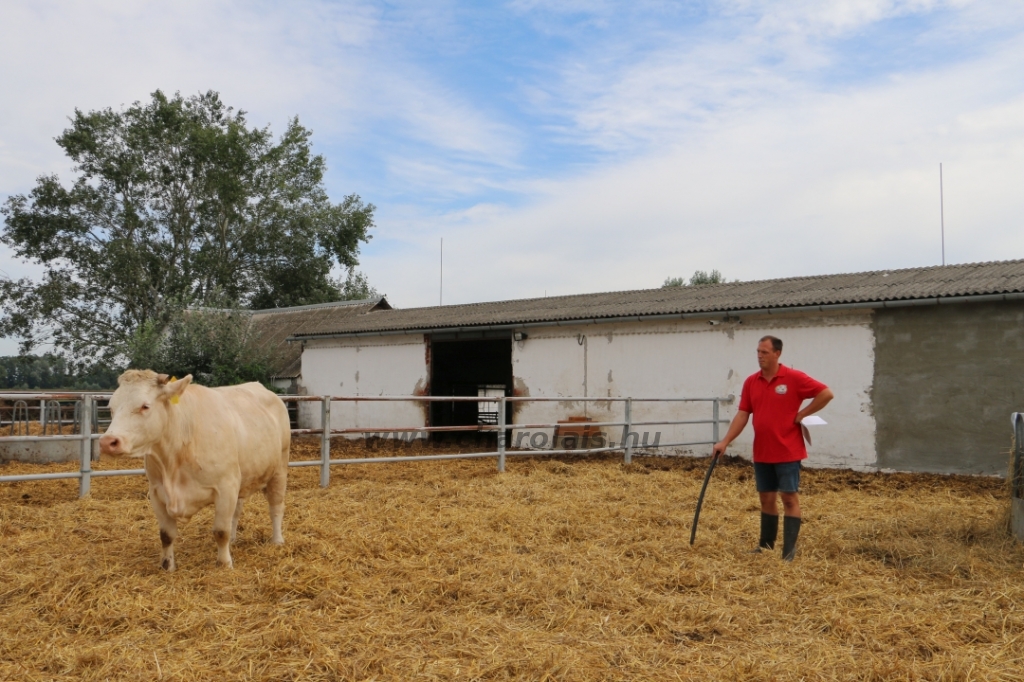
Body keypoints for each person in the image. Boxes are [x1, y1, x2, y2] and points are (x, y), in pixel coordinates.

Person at [712, 335, 833, 561]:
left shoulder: (793, 378)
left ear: (777, 354)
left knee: (789, 499)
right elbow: (742, 414)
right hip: (763, 451)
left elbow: (826, 393)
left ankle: (788, 551)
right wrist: (725, 441)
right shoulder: (751, 381)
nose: (760, 356)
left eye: (765, 352)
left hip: (788, 451)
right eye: (758, 352)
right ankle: (765, 546)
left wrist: (802, 414)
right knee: (766, 499)